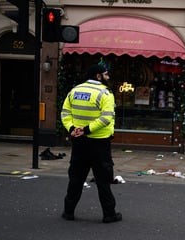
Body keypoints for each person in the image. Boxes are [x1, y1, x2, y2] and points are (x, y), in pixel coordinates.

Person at [60, 64, 122, 223]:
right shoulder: (105, 93)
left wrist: (73, 128)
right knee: (103, 180)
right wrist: (87, 130)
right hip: (99, 143)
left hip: (79, 142)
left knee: (76, 178)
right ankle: (109, 214)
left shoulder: (75, 91)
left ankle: (68, 211)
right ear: (98, 76)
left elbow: (65, 113)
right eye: (106, 75)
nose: (108, 77)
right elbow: (106, 118)